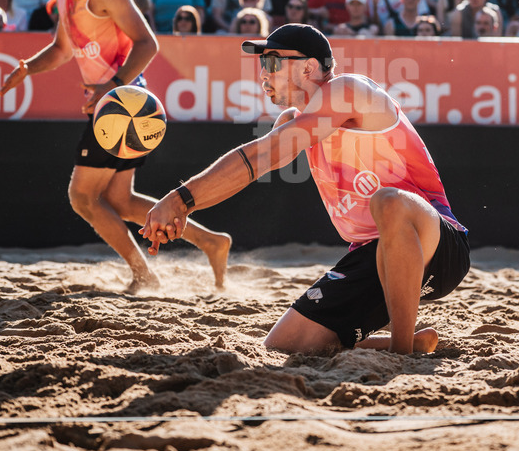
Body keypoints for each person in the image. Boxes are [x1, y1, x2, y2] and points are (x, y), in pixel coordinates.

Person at [140, 23, 470, 354]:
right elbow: (254, 166)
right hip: (375, 257)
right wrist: (186, 205)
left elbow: (261, 156)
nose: (263, 75)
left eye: (271, 63)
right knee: (285, 346)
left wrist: (181, 200)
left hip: (437, 245)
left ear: (308, 67)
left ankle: (401, 353)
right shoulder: (292, 120)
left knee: (388, 202)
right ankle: (411, 342)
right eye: (261, 65)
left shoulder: (348, 91)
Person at [0, 0, 231, 293]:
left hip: (125, 106)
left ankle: (143, 274)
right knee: (120, 201)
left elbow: (148, 43)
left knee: (83, 197)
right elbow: (60, 50)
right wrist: (27, 69)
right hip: (116, 104)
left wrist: (109, 87)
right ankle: (210, 241)